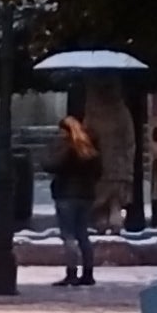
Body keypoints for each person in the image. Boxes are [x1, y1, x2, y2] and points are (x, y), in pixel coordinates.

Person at [48, 106, 104, 285]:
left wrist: (59, 150)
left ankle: (71, 273)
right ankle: (88, 273)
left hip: (66, 195)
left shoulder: (69, 149)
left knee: (69, 235)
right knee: (82, 235)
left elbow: (51, 165)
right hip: (86, 195)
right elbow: (99, 172)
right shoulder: (90, 148)